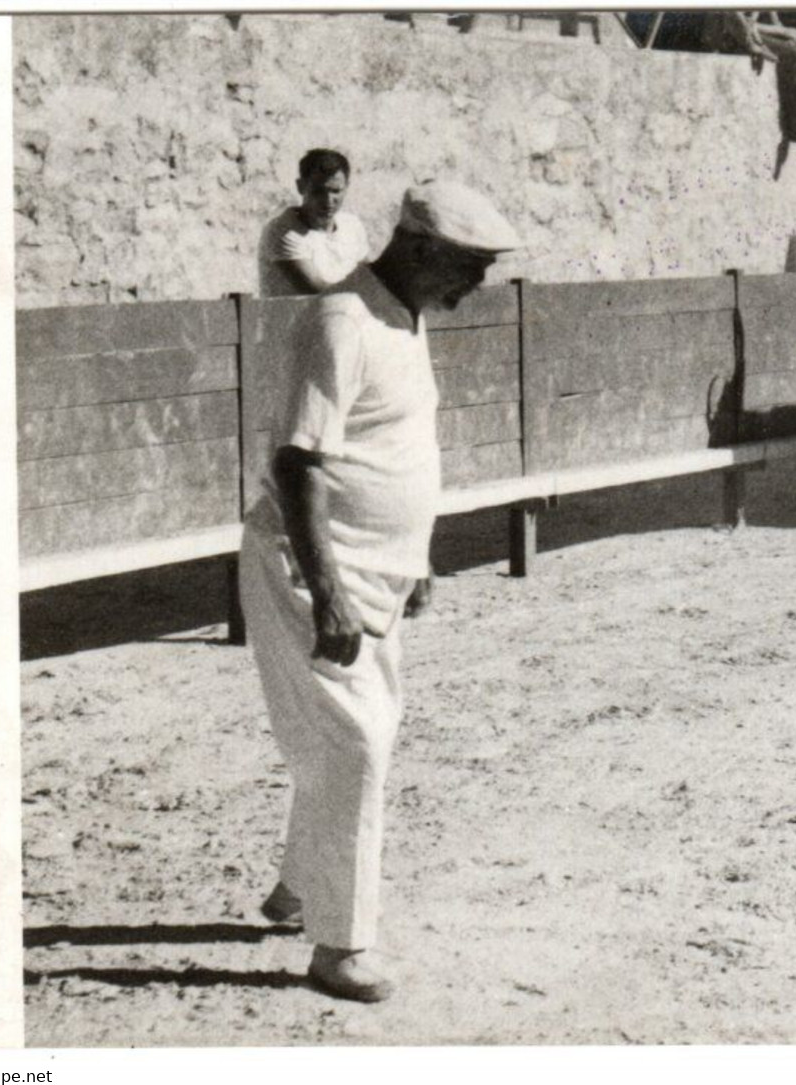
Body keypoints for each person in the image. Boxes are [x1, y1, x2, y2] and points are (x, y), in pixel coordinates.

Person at [239, 180, 521, 1003]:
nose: (477, 283)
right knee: (355, 742)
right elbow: (299, 463)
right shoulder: (340, 320)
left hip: (375, 567)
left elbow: (395, 449)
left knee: (360, 735)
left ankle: (297, 887)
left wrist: (416, 556)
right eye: (469, 265)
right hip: (313, 566)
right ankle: (339, 946)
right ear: (420, 248)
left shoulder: (404, 314)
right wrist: (327, 591)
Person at [703, 11, 796, 143]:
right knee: (791, 54)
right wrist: (775, 34)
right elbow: (734, 19)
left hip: (754, 34)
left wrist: (782, 32)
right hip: (731, 37)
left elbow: (780, 27)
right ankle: (795, 125)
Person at [258, 148, 371, 297]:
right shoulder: (283, 231)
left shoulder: (352, 226)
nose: (328, 201)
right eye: (318, 191)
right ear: (301, 186)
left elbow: (370, 279)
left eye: (336, 191)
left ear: (346, 187)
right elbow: (319, 292)